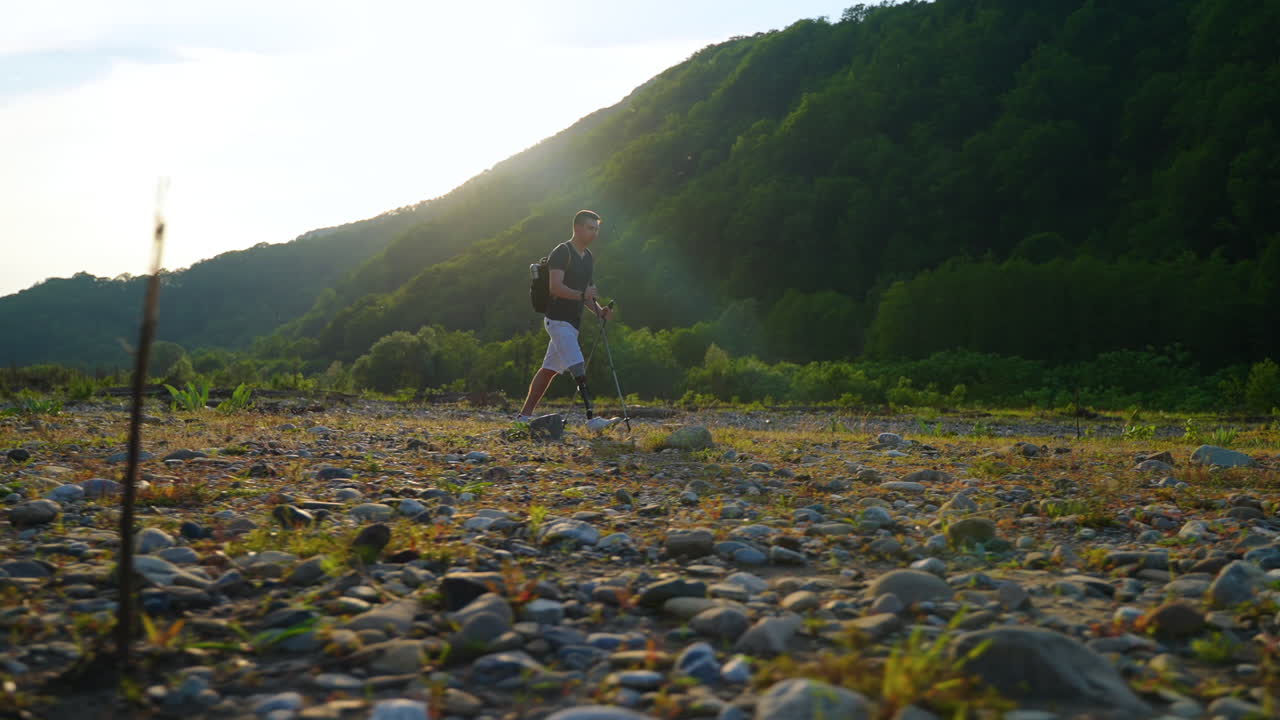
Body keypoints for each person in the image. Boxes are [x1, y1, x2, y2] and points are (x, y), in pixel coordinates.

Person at [518, 210, 613, 422]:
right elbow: (555, 288)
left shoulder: (588, 258)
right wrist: (582, 294)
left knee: (548, 370)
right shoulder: (562, 252)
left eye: (597, 229)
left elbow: (587, 296)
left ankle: (523, 417)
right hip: (557, 319)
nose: (594, 233)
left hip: (572, 323)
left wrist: (600, 311)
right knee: (578, 367)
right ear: (577, 228)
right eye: (590, 228)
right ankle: (591, 419)